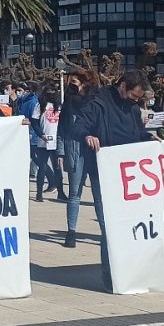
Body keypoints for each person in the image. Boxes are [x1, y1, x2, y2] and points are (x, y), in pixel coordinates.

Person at [72, 70, 154, 287]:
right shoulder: (98, 102)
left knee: (130, 224)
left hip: (129, 175)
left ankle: (131, 269)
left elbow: (136, 135)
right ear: (123, 86)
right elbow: (77, 126)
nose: (135, 101)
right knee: (108, 224)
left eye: (138, 98)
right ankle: (111, 275)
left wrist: (150, 137)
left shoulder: (133, 109)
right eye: (133, 96)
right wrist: (86, 135)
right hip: (103, 173)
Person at [58, 69, 97, 247]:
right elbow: (62, 128)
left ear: (84, 83)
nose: (70, 85)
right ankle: (71, 232)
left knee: (99, 195)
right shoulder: (68, 102)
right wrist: (61, 152)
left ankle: (105, 230)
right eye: (70, 81)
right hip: (74, 150)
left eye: (74, 81)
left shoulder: (95, 101)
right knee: (74, 193)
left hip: (94, 150)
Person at [33, 93, 66, 203]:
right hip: (44, 140)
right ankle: (39, 194)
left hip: (57, 140)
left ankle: (61, 193)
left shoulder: (59, 106)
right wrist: (40, 134)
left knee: (58, 168)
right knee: (42, 168)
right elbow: (34, 122)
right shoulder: (40, 106)